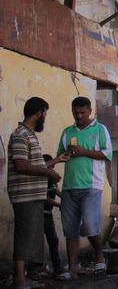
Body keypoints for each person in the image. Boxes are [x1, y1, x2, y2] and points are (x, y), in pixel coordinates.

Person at [8, 97, 66, 289]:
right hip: (24, 195)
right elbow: (21, 165)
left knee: (32, 237)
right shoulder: (20, 135)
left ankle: (27, 277)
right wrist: (49, 172)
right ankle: (20, 280)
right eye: (45, 114)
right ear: (39, 113)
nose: (45, 118)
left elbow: (35, 165)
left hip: (33, 196)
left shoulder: (29, 135)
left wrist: (56, 160)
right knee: (25, 237)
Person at [55, 96, 113, 280]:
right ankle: (72, 269)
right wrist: (66, 154)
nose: (79, 116)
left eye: (82, 112)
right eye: (75, 113)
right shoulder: (67, 132)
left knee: (90, 225)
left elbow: (106, 154)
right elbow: (60, 154)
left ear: (90, 111)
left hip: (91, 186)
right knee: (70, 229)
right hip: (69, 186)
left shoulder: (100, 129)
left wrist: (84, 151)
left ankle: (99, 256)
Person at [42, 154, 63, 277]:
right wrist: (59, 205)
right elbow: (44, 198)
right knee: (37, 243)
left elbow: (55, 190)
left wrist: (66, 200)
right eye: (50, 164)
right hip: (40, 215)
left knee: (53, 241)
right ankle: (35, 270)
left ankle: (57, 268)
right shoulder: (42, 177)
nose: (53, 166)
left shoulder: (52, 176)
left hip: (48, 215)